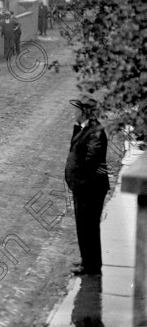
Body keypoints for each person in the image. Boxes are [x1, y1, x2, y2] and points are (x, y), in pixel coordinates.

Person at [65, 96, 110, 276]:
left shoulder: (94, 132)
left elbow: (93, 161)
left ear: (84, 112)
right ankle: (88, 261)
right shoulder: (86, 128)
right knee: (84, 227)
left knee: (88, 227)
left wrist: (81, 183)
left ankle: (91, 267)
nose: (73, 112)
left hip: (90, 189)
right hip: (84, 188)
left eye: (76, 109)